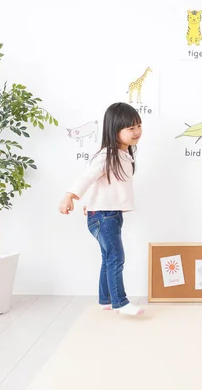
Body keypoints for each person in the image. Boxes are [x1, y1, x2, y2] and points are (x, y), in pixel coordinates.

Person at [59, 102, 144, 316]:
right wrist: (70, 196)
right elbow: (86, 178)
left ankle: (106, 299)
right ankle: (120, 303)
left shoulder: (124, 155)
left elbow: (107, 187)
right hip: (103, 216)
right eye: (130, 128)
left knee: (109, 257)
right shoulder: (107, 156)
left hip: (110, 215)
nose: (137, 132)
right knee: (116, 257)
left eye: (138, 126)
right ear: (114, 130)